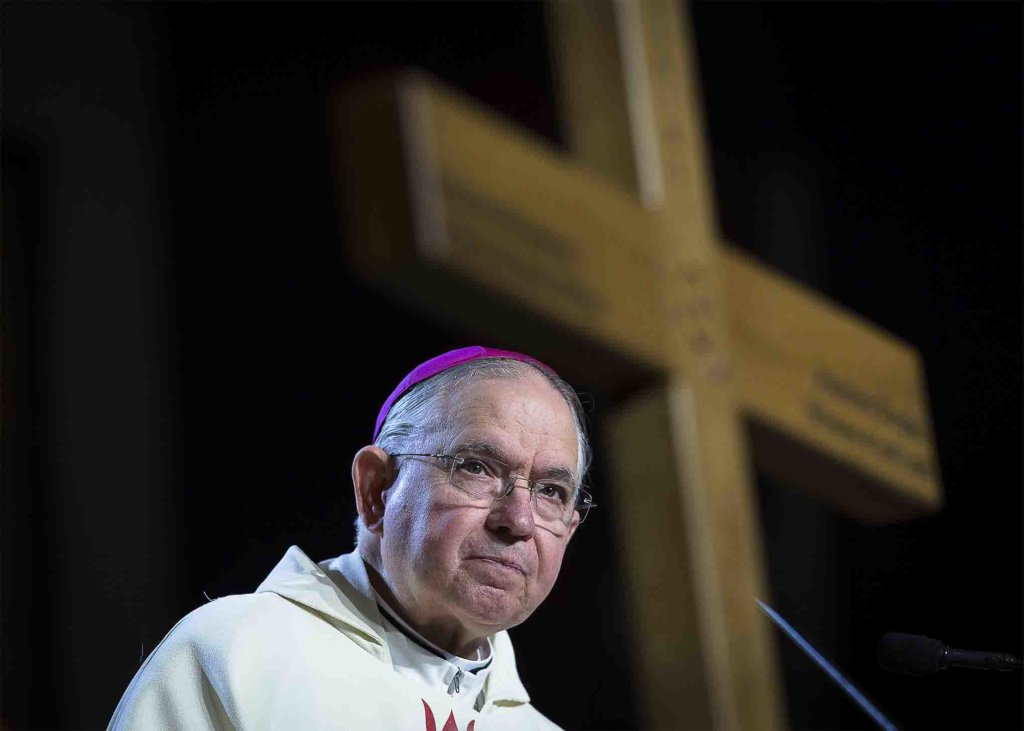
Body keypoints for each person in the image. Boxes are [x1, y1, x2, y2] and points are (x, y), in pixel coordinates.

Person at [109, 346, 595, 730]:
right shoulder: (237, 653)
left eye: (551, 492)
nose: (519, 520)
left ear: (570, 530)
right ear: (377, 490)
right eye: (476, 467)